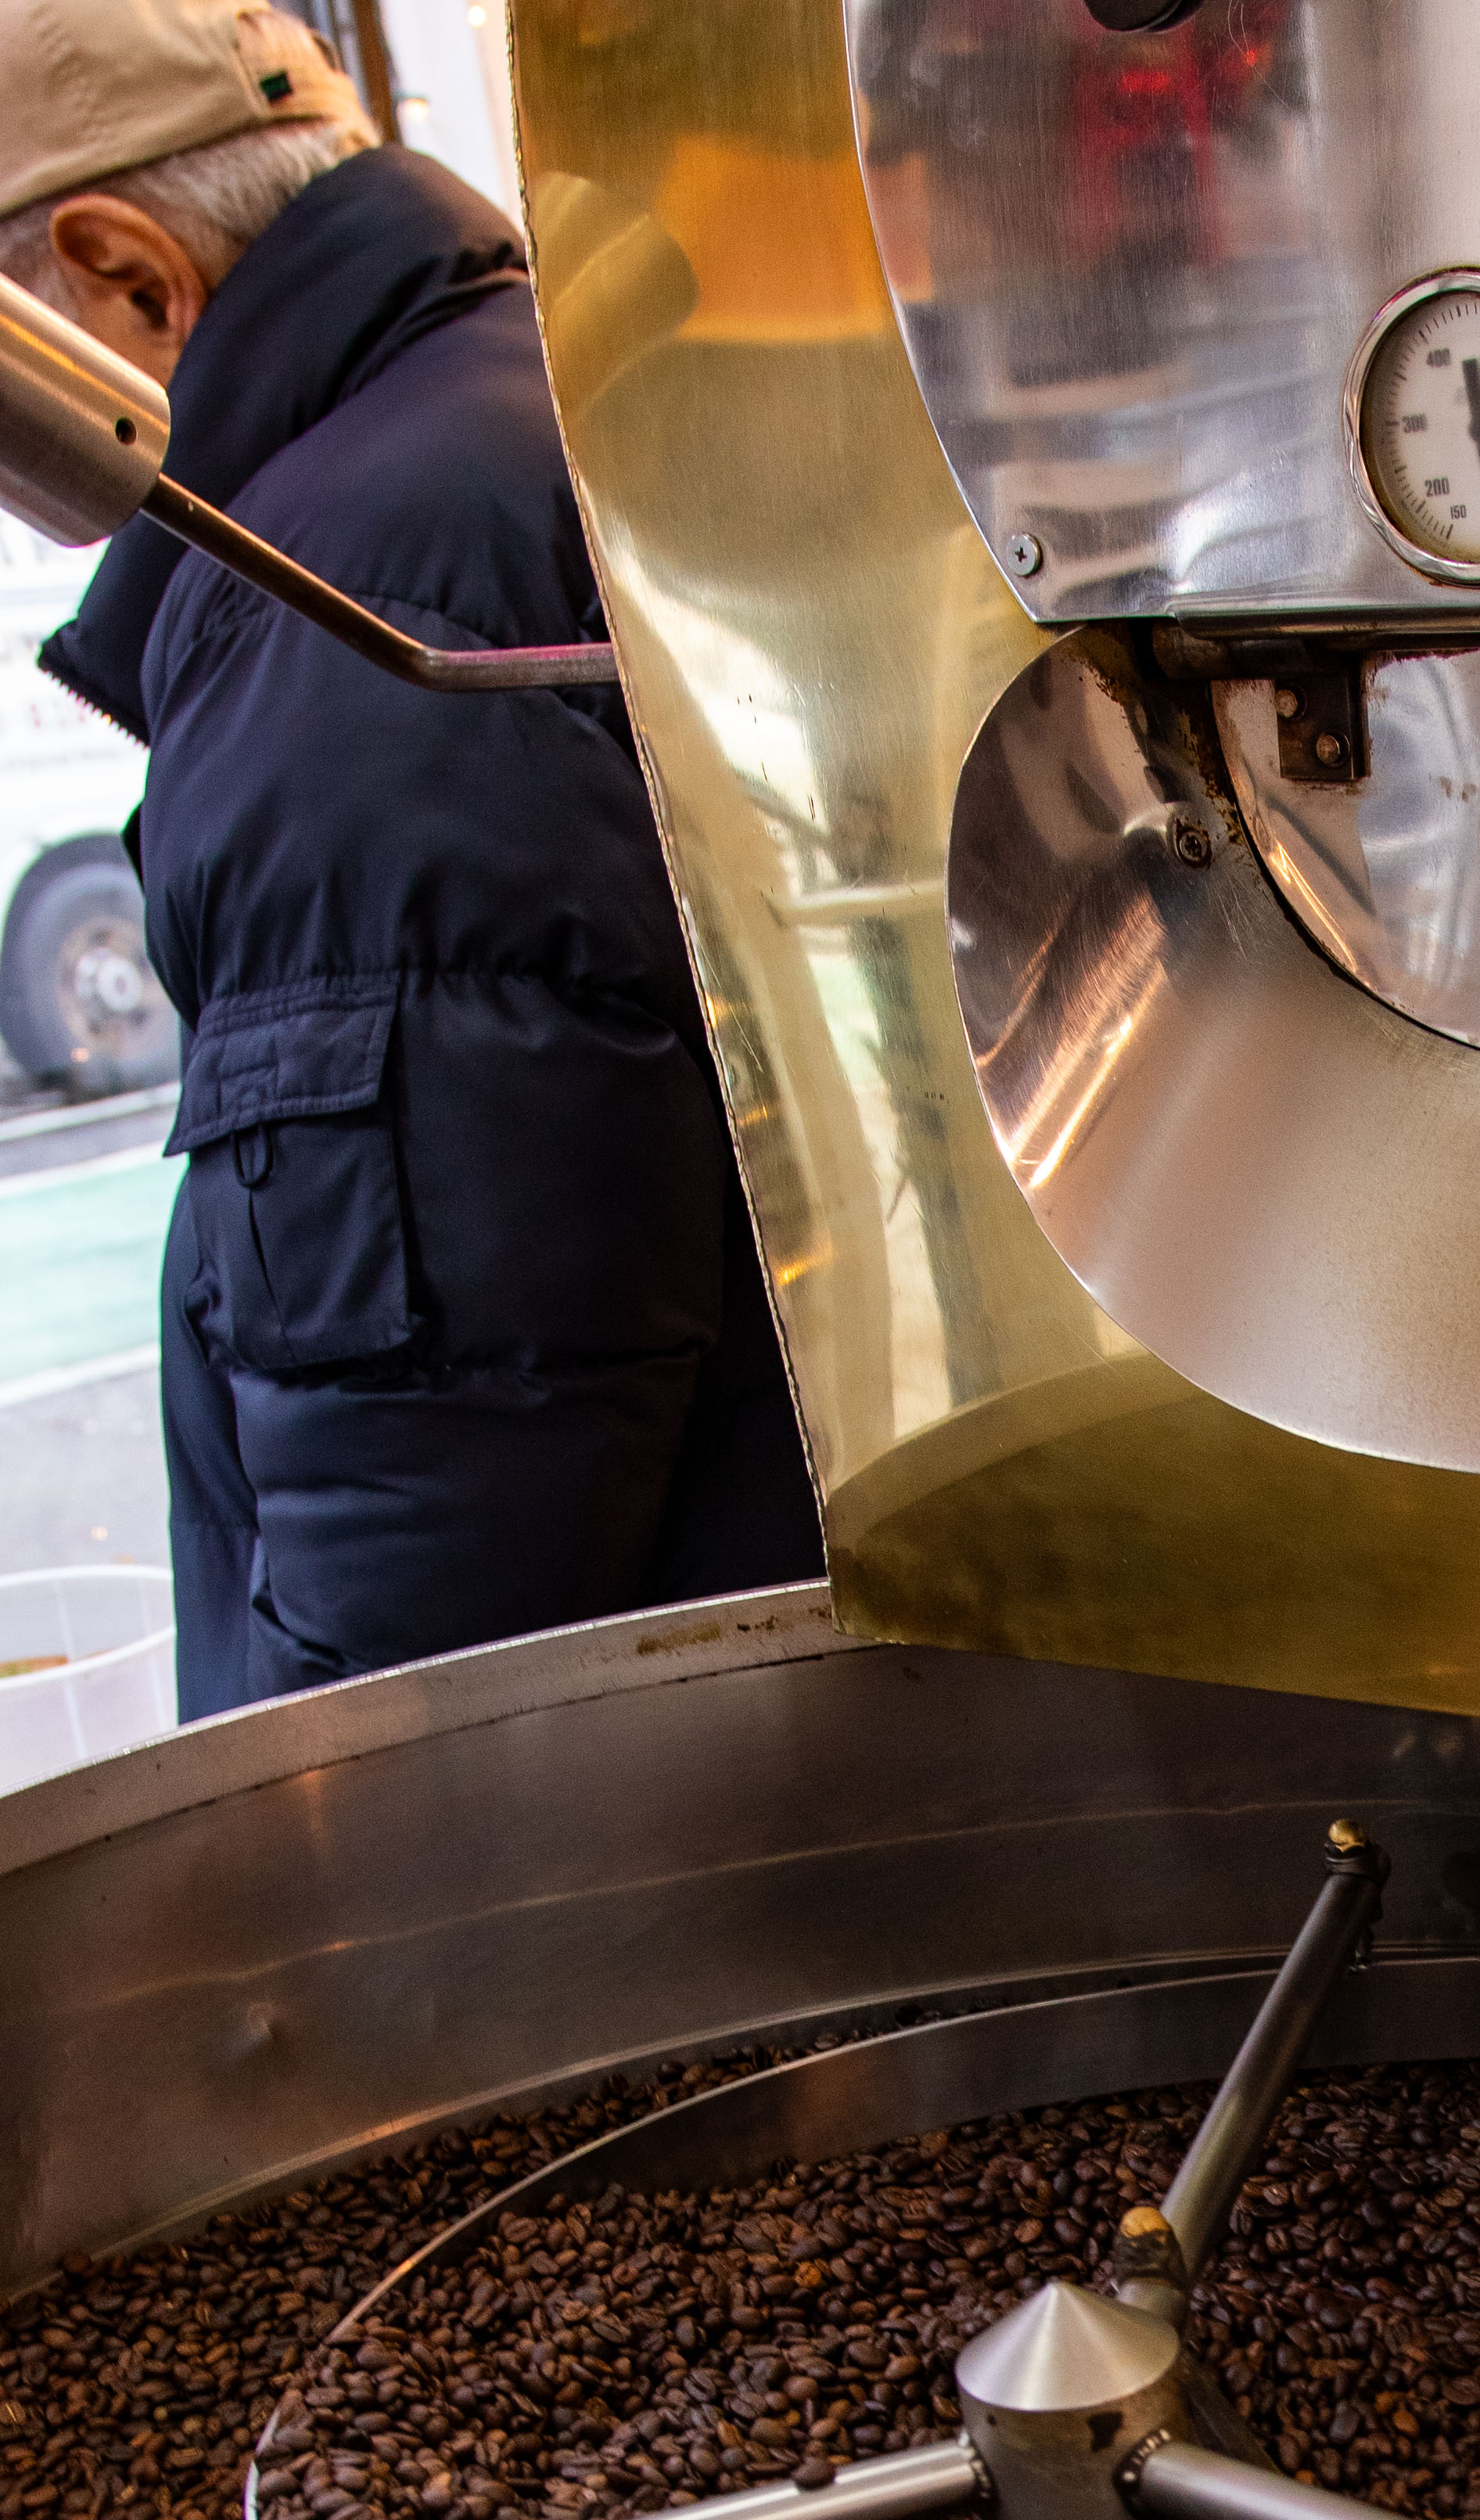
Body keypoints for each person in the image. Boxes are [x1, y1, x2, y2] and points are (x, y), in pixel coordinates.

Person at [0, 0, 821, 1717]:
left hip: (627, 1839)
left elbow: (438, 1534)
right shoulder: (549, 406)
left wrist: (297, 1877)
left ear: (125, 274)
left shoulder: (341, 604)